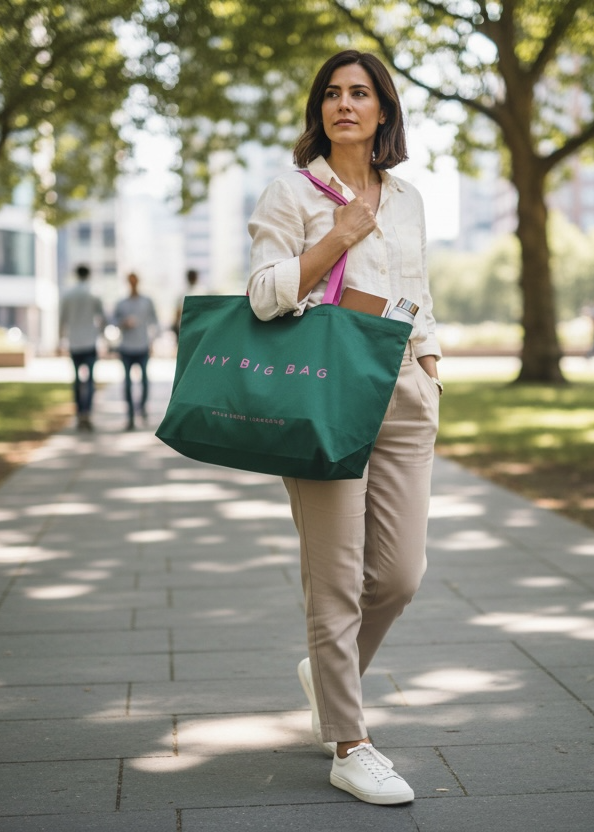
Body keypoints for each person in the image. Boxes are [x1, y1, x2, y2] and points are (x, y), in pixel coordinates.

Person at [247, 49, 441, 807]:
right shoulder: (292, 193)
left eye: (360, 93)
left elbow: (417, 289)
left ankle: (326, 679)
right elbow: (264, 296)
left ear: (384, 110)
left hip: (401, 395)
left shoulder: (410, 198)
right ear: (319, 110)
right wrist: (337, 235)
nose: (345, 104)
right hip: (325, 398)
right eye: (332, 93)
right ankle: (349, 743)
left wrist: (430, 363)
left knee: (398, 576)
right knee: (335, 583)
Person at [59, 264, 104, 430]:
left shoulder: (68, 294)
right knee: (90, 380)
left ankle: (79, 413)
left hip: (74, 342)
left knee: (77, 380)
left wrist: (60, 340)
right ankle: (87, 412)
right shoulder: (94, 293)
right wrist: (102, 336)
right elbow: (102, 318)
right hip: (90, 342)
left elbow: (62, 319)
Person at [113, 271, 161, 429]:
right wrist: (123, 322)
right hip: (126, 347)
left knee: (145, 381)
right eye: (130, 281)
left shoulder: (147, 301)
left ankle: (142, 408)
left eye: (135, 280)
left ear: (138, 281)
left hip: (142, 346)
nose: (132, 283)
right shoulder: (122, 302)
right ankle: (130, 415)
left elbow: (155, 321)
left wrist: (153, 340)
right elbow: (113, 321)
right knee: (127, 383)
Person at [170, 268, 200, 339]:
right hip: (187, 326)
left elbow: (178, 311)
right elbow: (178, 311)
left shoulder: (200, 291)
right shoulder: (183, 293)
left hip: (194, 326)